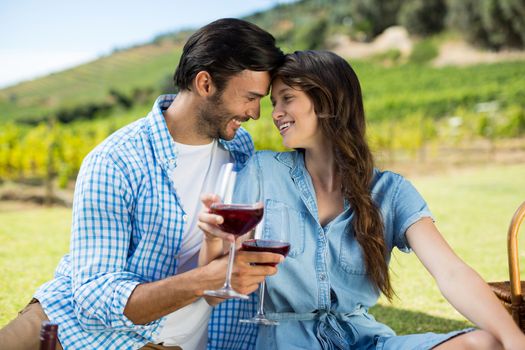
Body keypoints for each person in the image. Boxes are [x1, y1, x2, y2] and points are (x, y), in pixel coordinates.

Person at [199, 50, 525, 350]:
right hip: (287, 342)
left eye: (287, 99)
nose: (276, 113)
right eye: (274, 104)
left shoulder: (390, 191)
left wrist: (514, 339)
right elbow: (217, 288)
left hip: (365, 341)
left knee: (484, 344)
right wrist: (213, 242)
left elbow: (450, 272)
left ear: (327, 103)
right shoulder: (262, 171)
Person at [0, 18, 285, 350]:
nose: (256, 113)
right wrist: (210, 278)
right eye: (250, 98)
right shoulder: (116, 161)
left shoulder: (240, 150)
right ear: (205, 84)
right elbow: (95, 298)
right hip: (81, 333)